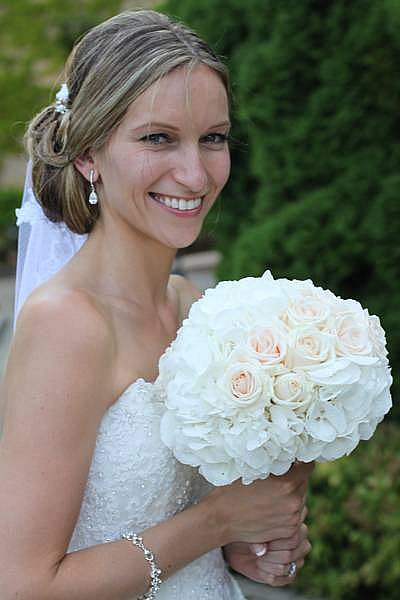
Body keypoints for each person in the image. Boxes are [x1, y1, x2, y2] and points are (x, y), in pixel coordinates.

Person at [0, 10, 313, 600]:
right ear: (88, 154)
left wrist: (255, 545)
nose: (195, 175)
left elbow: (197, 524)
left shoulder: (196, 310)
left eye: (213, 138)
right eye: (158, 138)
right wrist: (216, 523)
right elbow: (22, 587)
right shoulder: (67, 325)